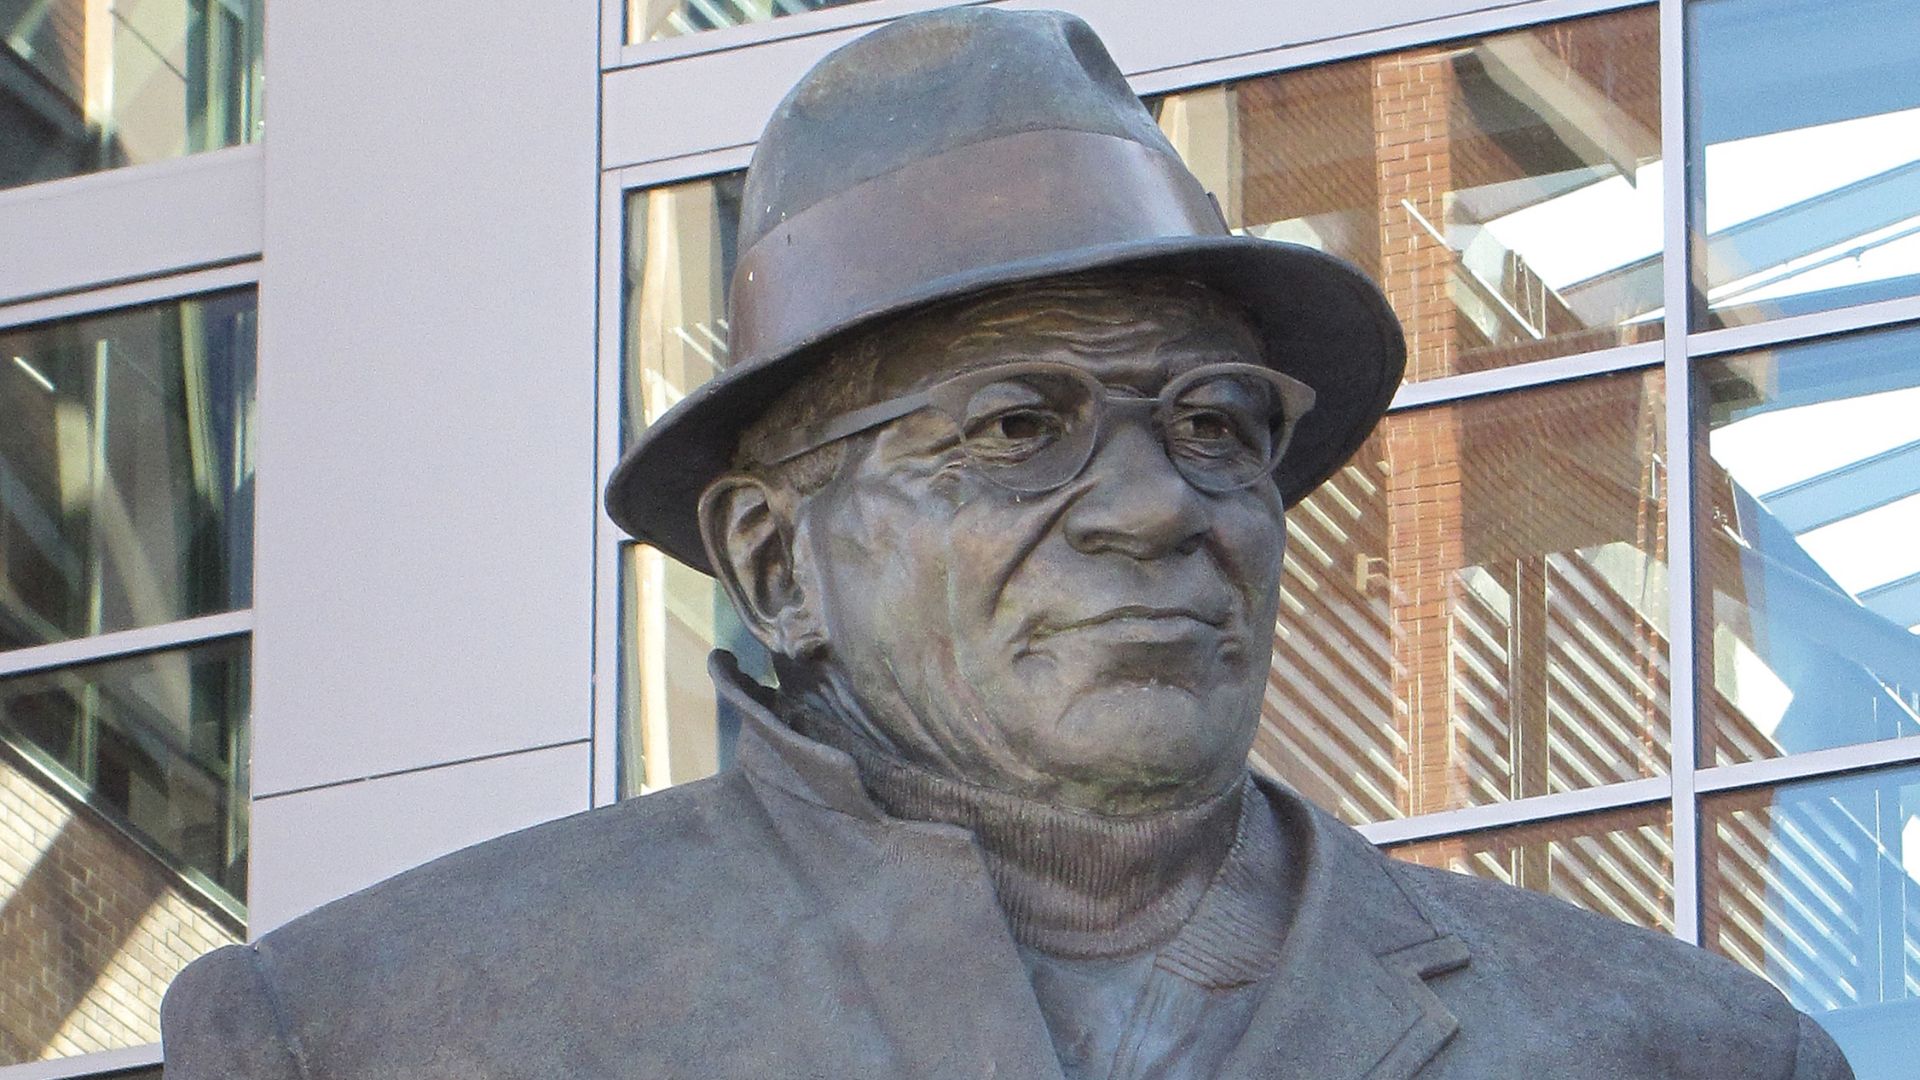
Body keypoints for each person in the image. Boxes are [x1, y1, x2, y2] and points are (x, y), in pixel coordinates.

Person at [161, 8, 1853, 1078]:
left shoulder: (1677, 1051)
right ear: (776, 564)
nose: (1154, 504)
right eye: (1013, 429)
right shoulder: (370, 1034)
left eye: (1214, 424)